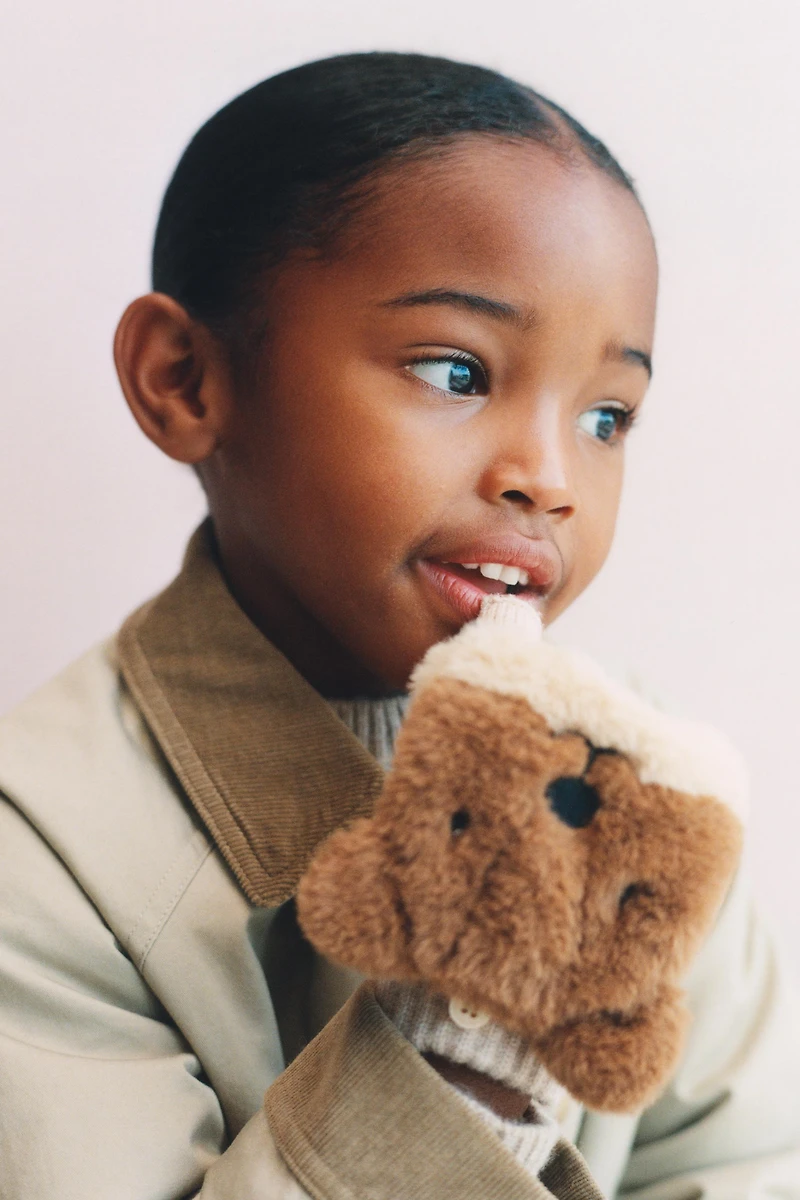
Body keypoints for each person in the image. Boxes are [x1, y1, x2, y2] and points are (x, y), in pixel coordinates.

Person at [0, 50, 798, 1200]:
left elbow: (748, 1157)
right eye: (454, 370)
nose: (547, 476)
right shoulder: (43, 855)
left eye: (606, 415)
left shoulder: (635, 786)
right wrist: (465, 1052)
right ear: (183, 380)